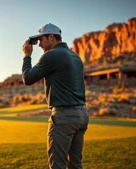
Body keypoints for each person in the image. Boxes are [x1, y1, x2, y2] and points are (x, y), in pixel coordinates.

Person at [22, 23, 89, 169]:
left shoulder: (51, 55)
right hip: (82, 114)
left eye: (41, 40)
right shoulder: (75, 56)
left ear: (51, 37)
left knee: (57, 165)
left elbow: (27, 79)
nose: (39, 44)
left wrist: (27, 56)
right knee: (76, 164)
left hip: (65, 117)